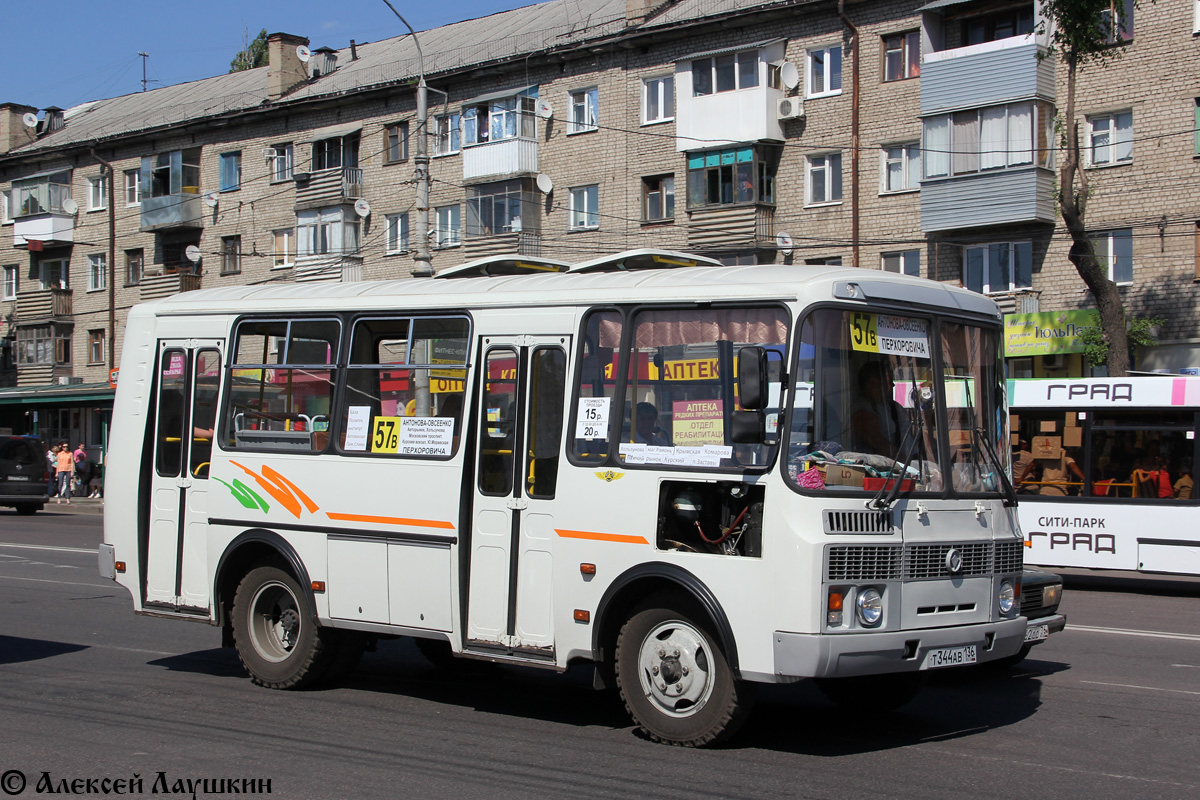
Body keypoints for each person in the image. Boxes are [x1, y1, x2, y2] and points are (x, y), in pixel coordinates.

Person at [849, 361, 904, 458]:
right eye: (888, 381)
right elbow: (878, 443)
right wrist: (906, 463)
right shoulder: (863, 409)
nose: (893, 385)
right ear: (874, 383)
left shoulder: (893, 406)